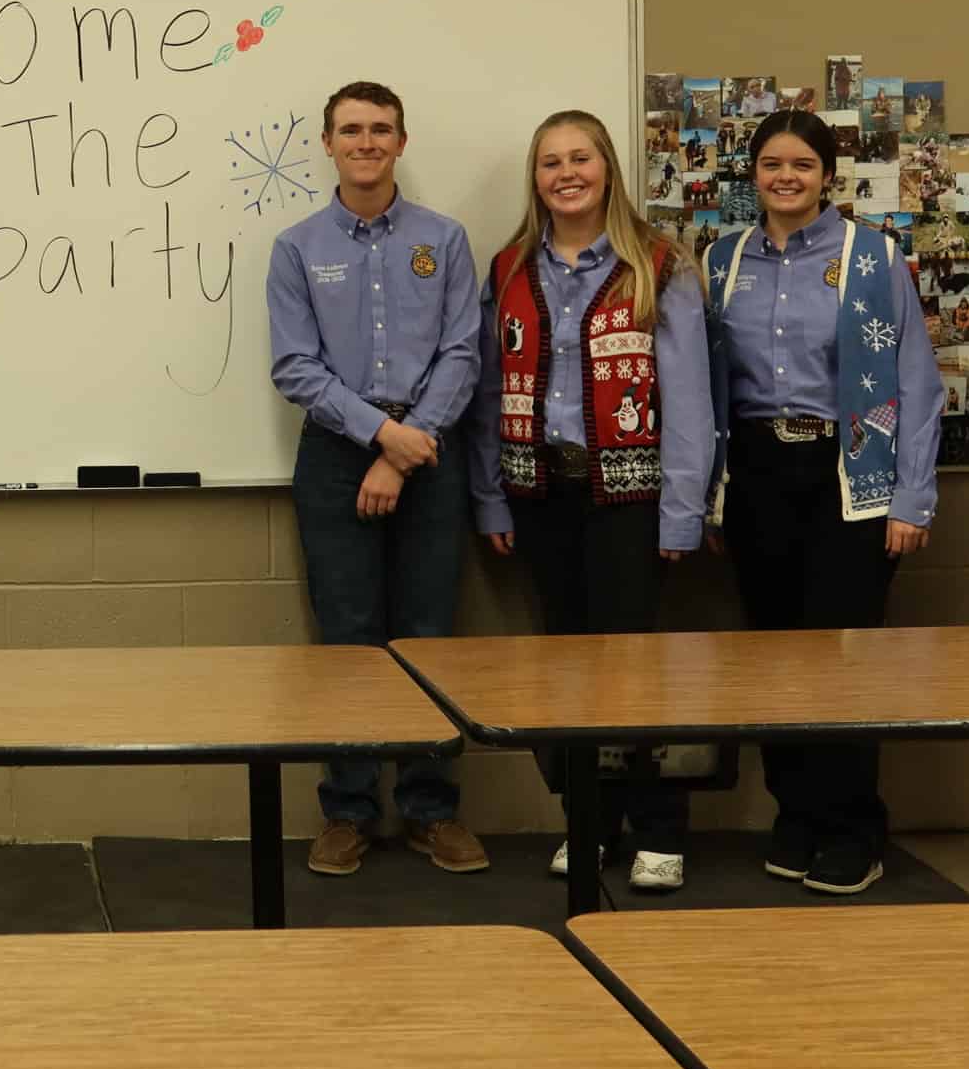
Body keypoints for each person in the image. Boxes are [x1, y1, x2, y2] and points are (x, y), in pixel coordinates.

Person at [470, 110, 709, 893]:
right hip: (538, 493)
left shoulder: (658, 264)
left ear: (607, 167)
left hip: (629, 498)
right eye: (549, 162)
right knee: (563, 672)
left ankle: (658, 827)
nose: (565, 173)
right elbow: (485, 392)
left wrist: (680, 511)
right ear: (535, 178)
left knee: (634, 669)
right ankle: (590, 822)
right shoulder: (508, 267)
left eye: (580, 157)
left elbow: (690, 401)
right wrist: (493, 501)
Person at [703, 110, 939, 896]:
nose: (786, 177)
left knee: (844, 661)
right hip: (759, 472)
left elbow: (917, 385)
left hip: (850, 477)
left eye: (802, 164)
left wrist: (912, 498)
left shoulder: (874, 257)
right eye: (771, 163)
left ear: (828, 175)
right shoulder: (721, 260)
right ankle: (795, 814)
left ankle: (851, 827)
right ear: (753, 173)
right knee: (773, 658)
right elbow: (703, 383)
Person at [266, 81, 486, 878]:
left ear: (402, 140)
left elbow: (463, 350)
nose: (366, 141)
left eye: (380, 128)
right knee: (350, 642)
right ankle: (350, 811)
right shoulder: (297, 248)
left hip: (429, 452)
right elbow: (295, 366)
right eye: (350, 129)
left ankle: (433, 811)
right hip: (334, 454)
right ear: (327, 142)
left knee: (428, 636)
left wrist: (404, 447)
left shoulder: (445, 239)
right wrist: (377, 436)